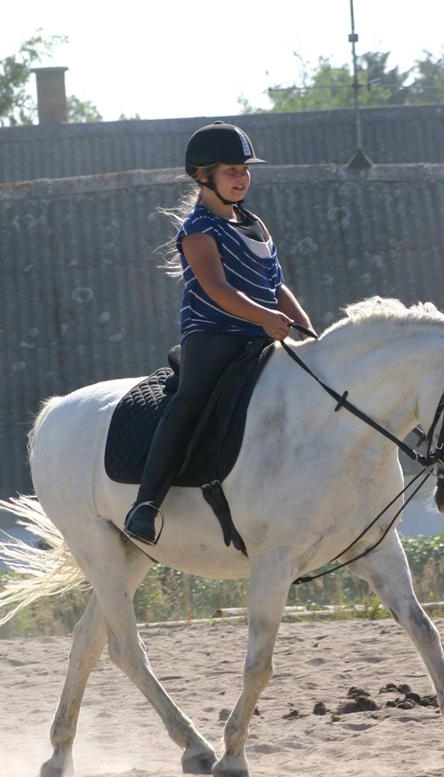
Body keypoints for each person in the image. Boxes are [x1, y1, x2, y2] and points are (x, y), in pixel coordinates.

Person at [123, 121, 314, 545]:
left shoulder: (255, 224)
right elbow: (217, 289)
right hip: (214, 337)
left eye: (245, 171)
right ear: (203, 175)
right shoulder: (198, 229)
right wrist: (265, 318)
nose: (242, 178)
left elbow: (277, 286)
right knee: (191, 403)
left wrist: (310, 333)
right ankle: (146, 504)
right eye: (231, 171)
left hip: (262, 336)